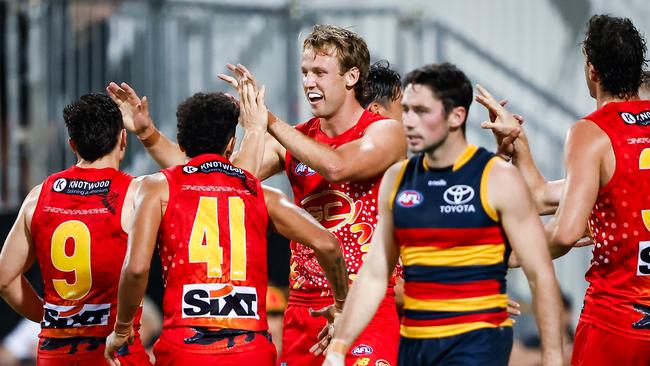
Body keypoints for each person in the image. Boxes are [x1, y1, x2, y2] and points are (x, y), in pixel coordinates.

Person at [121, 24, 407, 365]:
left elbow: (337, 167)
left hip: (363, 300)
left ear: (351, 77)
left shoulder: (386, 131)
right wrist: (149, 135)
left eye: (319, 72)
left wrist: (266, 120)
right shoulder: (293, 139)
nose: (309, 82)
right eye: (304, 72)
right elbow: (214, 182)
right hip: (304, 306)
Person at [324, 63, 563, 366]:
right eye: (407, 110)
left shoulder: (497, 177)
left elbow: (540, 274)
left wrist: (554, 358)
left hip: (477, 342)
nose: (409, 121)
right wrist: (340, 345)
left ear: (456, 116)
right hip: (416, 344)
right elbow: (374, 274)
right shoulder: (397, 179)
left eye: (422, 111)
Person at [103, 86, 350, 365]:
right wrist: (342, 306)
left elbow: (136, 269)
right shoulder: (262, 194)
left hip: (185, 349)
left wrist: (122, 329)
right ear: (231, 144)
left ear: (182, 144)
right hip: (249, 350)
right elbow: (328, 244)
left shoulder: (157, 188)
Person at [478, 14, 650, 366]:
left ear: (592, 70)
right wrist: (519, 147)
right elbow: (542, 196)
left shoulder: (592, 132)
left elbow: (567, 230)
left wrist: (502, 257)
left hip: (614, 322)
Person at [0, 93, 152, 365]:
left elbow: (4, 279)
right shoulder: (137, 193)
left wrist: (47, 316)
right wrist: (148, 133)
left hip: (56, 353)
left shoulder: (38, 196)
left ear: (73, 145)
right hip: (114, 352)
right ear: (123, 140)